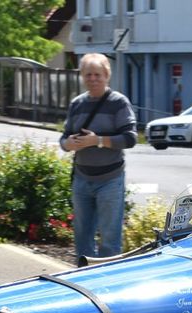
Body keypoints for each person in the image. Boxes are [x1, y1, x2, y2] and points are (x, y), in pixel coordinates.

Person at [60, 53, 136, 266]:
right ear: (82, 76)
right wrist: (69, 143)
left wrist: (98, 140)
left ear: (107, 76)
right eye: (88, 74)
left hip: (110, 180)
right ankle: (82, 281)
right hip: (82, 179)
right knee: (82, 237)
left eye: (97, 74)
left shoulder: (118, 103)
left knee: (110, 239)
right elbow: (64, 138)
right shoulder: (77, 104)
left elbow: (130, 138)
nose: (93, 79)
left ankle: (107, 282)